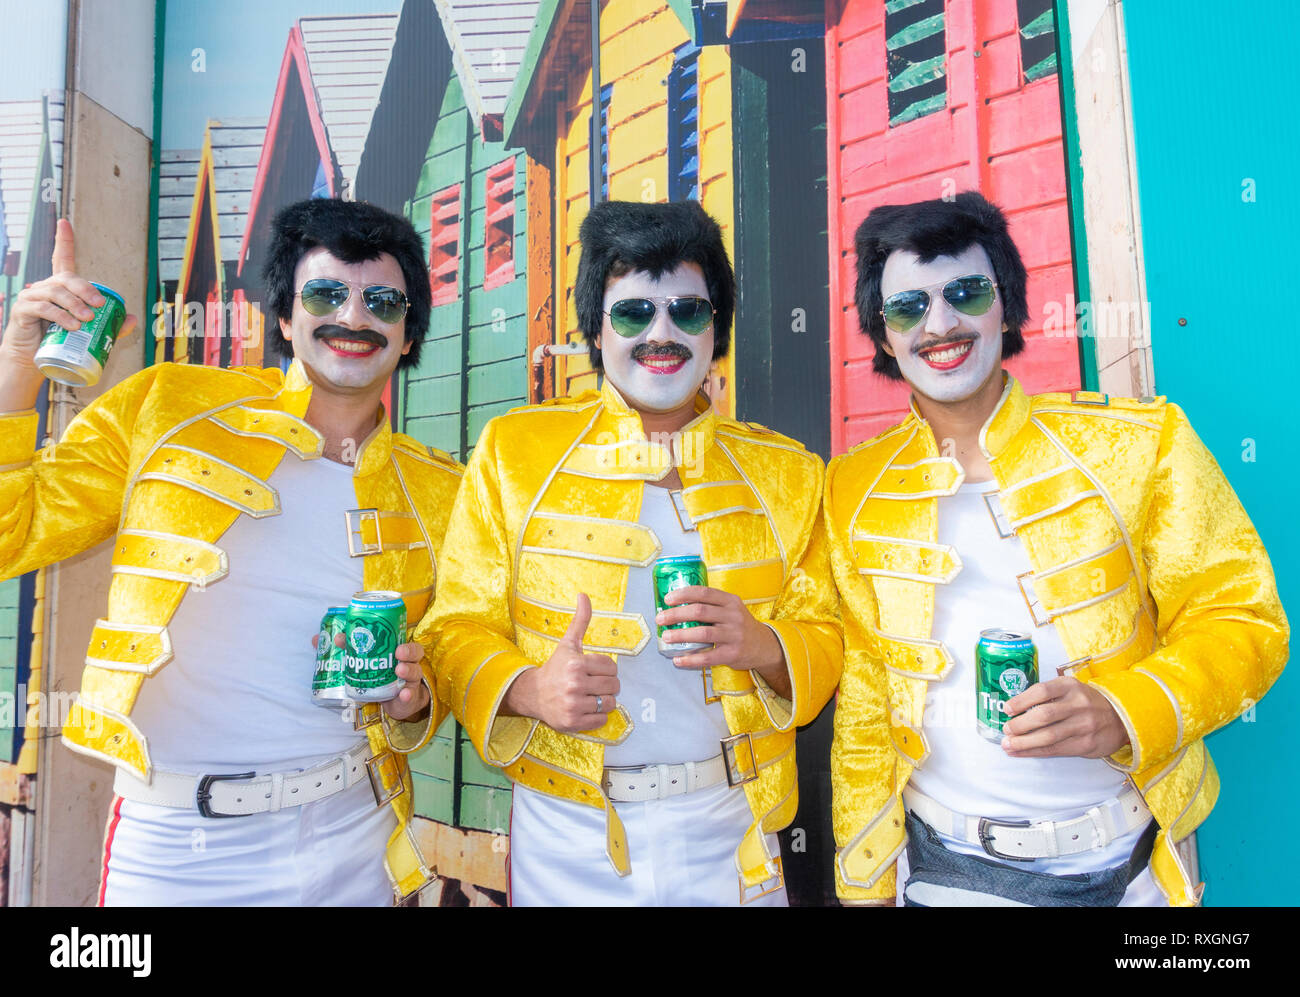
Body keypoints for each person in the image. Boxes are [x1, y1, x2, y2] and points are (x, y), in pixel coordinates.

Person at [825, 192, 1288, 907]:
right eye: (908, 307)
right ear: (884, 337)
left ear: (1005, 307)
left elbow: (1243, 618)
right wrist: (862, 889)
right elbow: (864, 695)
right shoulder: (853, 487)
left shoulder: (1138, 444)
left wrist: (1126, 707)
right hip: (951, 876)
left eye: (966, 293)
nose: (940, 323)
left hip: (1134, 869)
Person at [0, 199, 462, 905]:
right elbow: (14, 531)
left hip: (353, 834)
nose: (354, 316)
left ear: (408, 335)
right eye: (325, 293)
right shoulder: (167, 407)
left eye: (383, 301)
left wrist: (416, 695)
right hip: (177, 849)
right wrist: (14, 368)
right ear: (284, 317)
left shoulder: (443, 489)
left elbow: (452, 656)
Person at [417, 200, 842, 905]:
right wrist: (530, 690)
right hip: (569, 835)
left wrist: (763, 643)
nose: (663, 334)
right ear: (595, 327)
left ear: (718, 330)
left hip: (734, 828)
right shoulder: (515, 455)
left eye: (689, 311)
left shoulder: (787, 474)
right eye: (634, 312)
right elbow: (454, 628)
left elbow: (828, 634)